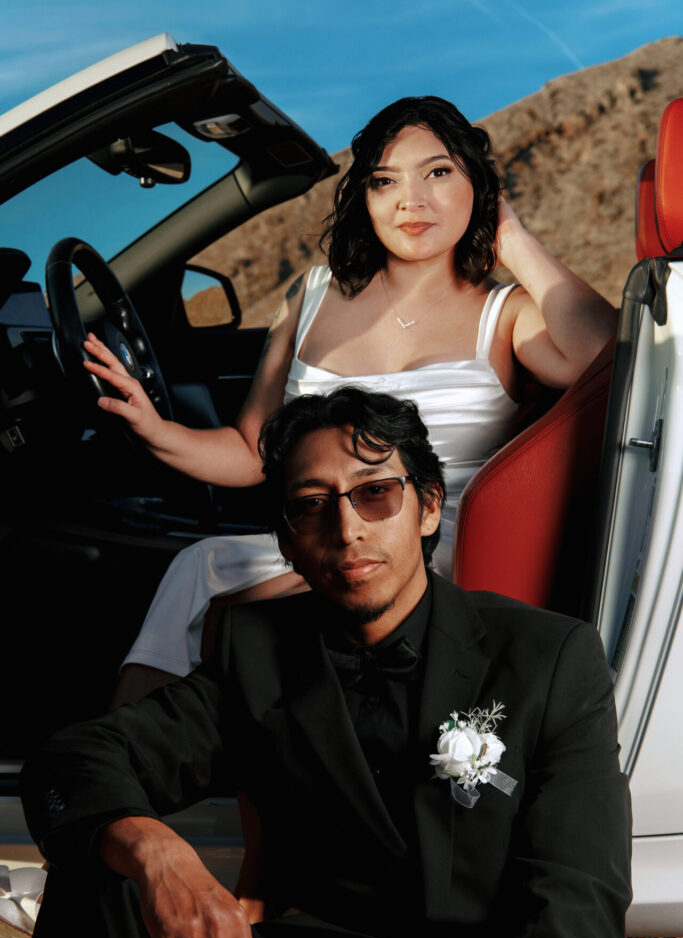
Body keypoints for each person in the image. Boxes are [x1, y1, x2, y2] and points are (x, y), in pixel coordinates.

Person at [21, 387, 630, 938]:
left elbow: (576, 901)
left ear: (426, 508)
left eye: (375, 493)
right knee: (100, 865)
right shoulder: (255, 650)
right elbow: (72, 763)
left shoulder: (549, 657)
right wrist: (157, 852)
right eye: (312, 505)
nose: (347, 530)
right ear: (286, 542)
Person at [84, 95, 617, 681]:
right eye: (384, 181)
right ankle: (126, 761)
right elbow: (252, 452)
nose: (411, 201)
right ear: (365, 197)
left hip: (432, 551)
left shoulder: (507, 313)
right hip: (323, 530)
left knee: (232, 618)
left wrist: (512, 238)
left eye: (438, 173)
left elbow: (607, 358)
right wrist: (156, 430)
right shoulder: (311, 296)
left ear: (480, 186)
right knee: (198, 568)